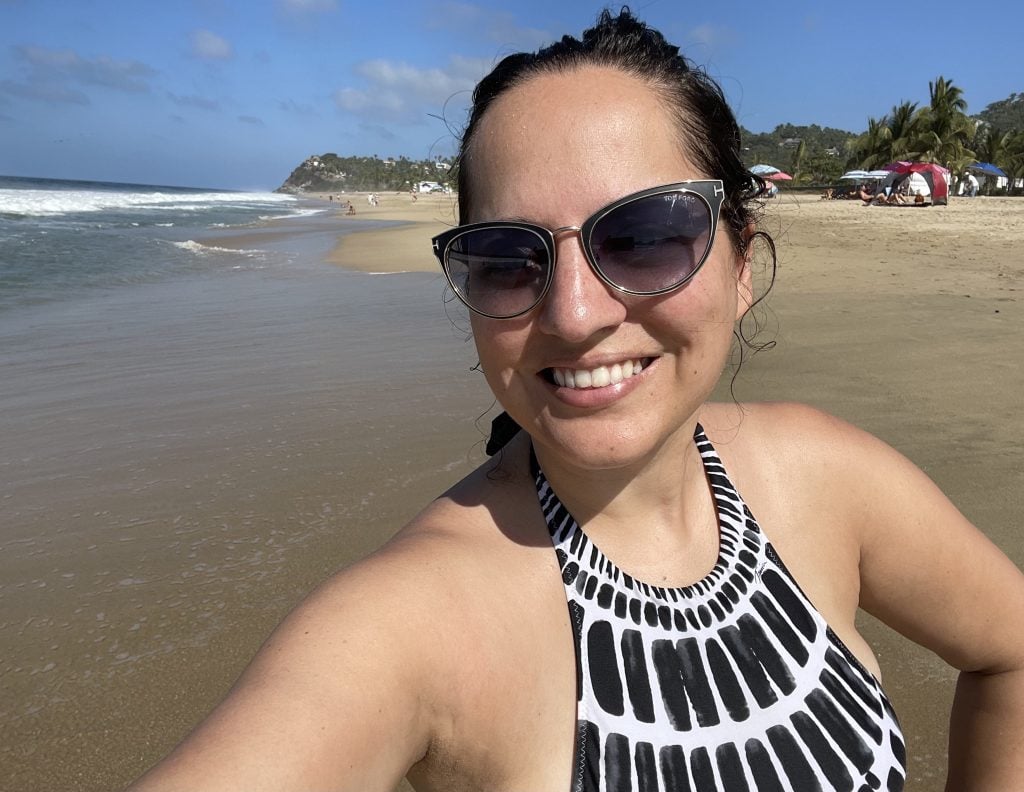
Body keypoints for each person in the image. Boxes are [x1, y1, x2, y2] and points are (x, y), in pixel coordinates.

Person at [128, 9, 1024, 792]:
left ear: (741, 263)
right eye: (511, 257)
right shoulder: (414, 621)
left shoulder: (825, 478)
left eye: (643, 237)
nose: (575, 312)